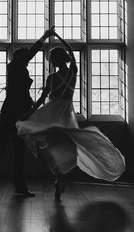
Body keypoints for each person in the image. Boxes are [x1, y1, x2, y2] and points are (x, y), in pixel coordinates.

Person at [16, 31, 125, 202]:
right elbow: (72, 55)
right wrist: (58, 38)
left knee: (53, 147)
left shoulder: (52, 78)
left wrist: (29, 114)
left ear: (57, 60)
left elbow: (41, 100)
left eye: (52, 58)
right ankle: (59, 179)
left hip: (52, 115)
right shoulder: (72, 72)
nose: (50, 61)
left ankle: (58, 177)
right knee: (66, 146)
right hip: (66, 114)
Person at [0, 26, 54, 202]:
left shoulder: (19, 69)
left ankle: (19, 188)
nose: (27, 58)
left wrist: (31, 103)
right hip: (11, 114)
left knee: (18, 151)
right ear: (18, 57)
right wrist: (45, 36)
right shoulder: (15, 66)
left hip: (18, 112)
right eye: (24, 56)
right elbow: (31, 53)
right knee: (2, 149)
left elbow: (21, 92)